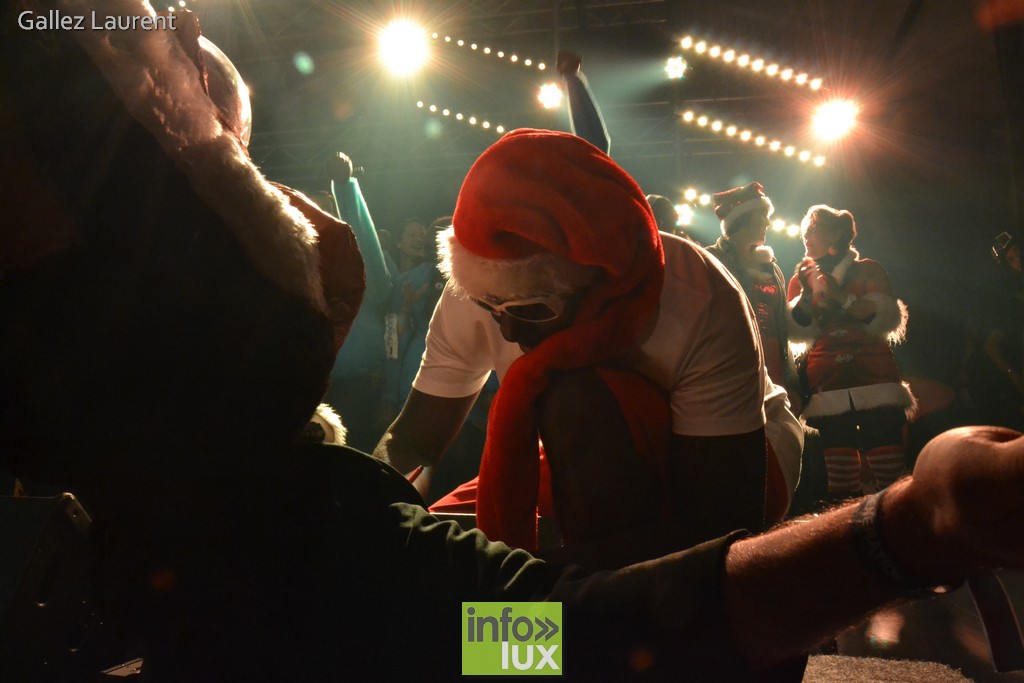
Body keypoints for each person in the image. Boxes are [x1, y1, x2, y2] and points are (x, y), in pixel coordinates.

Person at [5, 4, 1024, 682]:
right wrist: (911, 526)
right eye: (255, 181)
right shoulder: (342, 552)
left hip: (717, 471)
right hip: (449, 600)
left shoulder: (691, 291)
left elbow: (712, 520)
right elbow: (563, 638)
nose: (509, 331)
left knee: (574, 407)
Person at [377, 129, 802, 566]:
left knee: (573, 396)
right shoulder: (477, 287)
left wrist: (528, 586)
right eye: (490, 307)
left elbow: (721, 524)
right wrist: (361, 503)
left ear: (601, 284)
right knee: (422, 543)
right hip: (570, 448)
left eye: (530, 309)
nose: (507, 330)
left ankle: (550, 608)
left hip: (744, 450)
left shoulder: (698, 298)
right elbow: (415, 439)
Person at [787, 205, 915, 500]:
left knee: (891, 475)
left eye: (813, 229)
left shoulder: (868, 269)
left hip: (874, 376)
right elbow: (798, 331)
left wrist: (840, 297)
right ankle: (846, 525)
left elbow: (882, 317)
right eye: (804, 230)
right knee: (840, 479)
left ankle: (897, 519)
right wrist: (805, 296)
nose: (806, 235)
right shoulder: (801, 277)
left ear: (836, 235)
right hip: (828, 380)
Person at [706, 182, 803, 412]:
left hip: (773, 358)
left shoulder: (771, 267)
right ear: (743, 218)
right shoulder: (711, 259)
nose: (768, 223)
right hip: (734, 361)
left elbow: (781, 326)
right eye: (763, 215)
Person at [322, 151, 395, 452]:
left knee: (351, 457)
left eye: (327, 211)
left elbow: (361, 236)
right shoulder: (301, 269)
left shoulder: (366, 271)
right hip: (315, 381)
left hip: (360, 380)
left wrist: (345, 188)